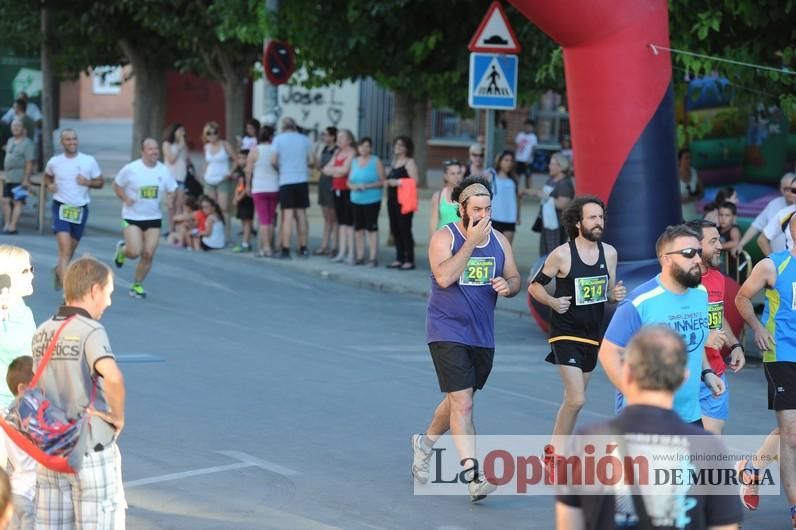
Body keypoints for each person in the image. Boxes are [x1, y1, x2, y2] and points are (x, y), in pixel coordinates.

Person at [556, 326, 743, 530]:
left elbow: (568, 524)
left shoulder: (587, 441)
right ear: (683, 378)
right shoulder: (709, 448)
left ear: (626, 372)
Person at [411, 175, 521, 503]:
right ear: (461, 208)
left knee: (458, 398)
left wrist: (508, 286)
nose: (483, 215)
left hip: (482, 334)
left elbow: (515, 278)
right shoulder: (444, 238)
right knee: (463, 401)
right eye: (476, 208)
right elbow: (444, 277)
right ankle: (474, 476)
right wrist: (471, 242)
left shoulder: (500, 241)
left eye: (488, 208)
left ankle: (425, 443)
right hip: (446, 329)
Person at [32, 256, 125, 529]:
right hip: (87, 447)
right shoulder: (90, 330)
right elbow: (113, 376)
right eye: (108, 293)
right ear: (94, 290)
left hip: (50, 447)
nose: (108, 301)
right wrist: (118, 417)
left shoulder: (43, 330)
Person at [599, 224, 725, 426]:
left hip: (690, 414)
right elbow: (608, 352)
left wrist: (707, 373)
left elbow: (693, 340)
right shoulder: (640, 301)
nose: (698, 260)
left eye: (699, 252)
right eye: (689, 253)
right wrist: (633, 392)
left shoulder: (701, 294)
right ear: (666, 259)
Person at [529, 197, 625, 440]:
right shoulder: (562, 255)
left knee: (573, 403)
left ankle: (554, 451)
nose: (598, 223)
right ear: (577, 222)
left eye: (601, 217)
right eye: (592, 218)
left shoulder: (610, 253)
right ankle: (557, 454)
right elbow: (534, 287)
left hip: (592, 335)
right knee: (577, 398)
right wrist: (551, 302)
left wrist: (613, 295)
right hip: (565, 332)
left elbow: (607, 294)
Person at [735, 213, 796, 528]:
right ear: (791, 232)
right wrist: (757, 326)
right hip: (782, 352)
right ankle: (795, 507)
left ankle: (753, 467)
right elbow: (742, 297)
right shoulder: (773, 265)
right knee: (791, 433)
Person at [686, 220, 745, 434]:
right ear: (695, 245)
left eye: (719, 240)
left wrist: (736, 345)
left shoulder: (718, 277)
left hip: (716, 371)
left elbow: (717, 317)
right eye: (713, 241)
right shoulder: (681, 281)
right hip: (685, 376)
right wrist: (703, 337)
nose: (720, 246)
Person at [112, 138, 177, 299]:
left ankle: (137, 285)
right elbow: (117, 185)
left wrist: (170, 199)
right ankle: (122, 250)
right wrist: (126, 199)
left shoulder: (163, 170)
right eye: (150, 149)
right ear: (143, 152)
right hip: (132, 216)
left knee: (148, 254)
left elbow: (172, 189)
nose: (154, 152)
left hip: (153, 218)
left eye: (156, 149)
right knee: (134, 251)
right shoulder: (132, 169)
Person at [44, 129, 103, 290]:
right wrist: (50, 185)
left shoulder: (89, 161)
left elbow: (100, 182)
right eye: (68, 139)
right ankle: (66, 292)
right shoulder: (55, 162)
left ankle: (59, 270)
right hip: (61, 206)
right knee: (64, 249)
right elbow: (47, 175)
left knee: (70, 249)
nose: (72, 142)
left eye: (74, 139)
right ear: (62, 142)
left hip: (80, 209)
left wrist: (87, 182)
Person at [271, 117, 313, 259]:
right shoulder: (305, 140)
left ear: (283, 127)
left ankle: (286, 248)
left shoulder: (278, 140)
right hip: (302, 179)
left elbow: (273, 161)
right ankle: (303, 247)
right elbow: (311, 161)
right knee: (301, 214)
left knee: (287, 216)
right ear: (295, 126)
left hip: (286, 180)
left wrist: (280, 169)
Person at [0, 246, 35, 414]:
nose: (31, 275)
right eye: (24, 271)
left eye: (31, 269)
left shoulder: (23, 311)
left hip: (21, 403)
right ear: (5, 277)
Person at [4, 356, 36, 530]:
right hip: (33, 490)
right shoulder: (32, 414)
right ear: (23, 388)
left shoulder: (6, 415)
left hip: (15, 488)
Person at [735, 172, 795, 257]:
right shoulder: (775, 205)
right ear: (780, 189)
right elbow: (757, 226)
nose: (788, 192)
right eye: (785, 189)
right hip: (780, 261)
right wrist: (741, 244)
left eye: (791, 189)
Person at [348, 137, 385, 266]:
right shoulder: (354, 162)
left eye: (367, 146)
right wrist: (353, 186)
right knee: (358, 229)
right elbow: (349, 181)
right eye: (362, 146)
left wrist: (367, 186)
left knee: (371, 229)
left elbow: (382, 181)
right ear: (358, 148)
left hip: (372, 200)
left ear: (371, 148)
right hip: (355, 200)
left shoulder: (376, 161)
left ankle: (373, 258)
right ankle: (360, 256)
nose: (364, 148)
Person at [385, 136, 419, 270]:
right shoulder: (394, 162)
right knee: (395, 229)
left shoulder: (409, 162)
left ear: (407, 148)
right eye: (396, 144)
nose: (397, 147)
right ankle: (399, 258)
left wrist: (398, 182)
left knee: (405, 229)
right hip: (392, 200)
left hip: (404, 202)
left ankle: (409, 260)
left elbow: (415, 181)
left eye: (401, 145)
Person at [246, 126, 280, 258]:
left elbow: (248, 170)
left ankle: (265, 248)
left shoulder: (254, 150)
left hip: (259, 187)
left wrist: (248, 186)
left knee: (263, 219)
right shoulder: (274, 150)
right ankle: (269, 246)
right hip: (273, 186)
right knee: (270, 219)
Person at [531, 153, 574, 255]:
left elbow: (562, 205)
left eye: (552, 164)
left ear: (560, 167)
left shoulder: (565, 184)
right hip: (547, 222)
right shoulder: (550, 180)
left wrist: (546, 197)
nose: (549, 166)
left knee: (555, 252)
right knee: (544, 252)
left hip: (558, 224)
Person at [324, 129, 356, 264]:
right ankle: (342, 252)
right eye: (338, 137)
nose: (339, 140)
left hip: (347, 190)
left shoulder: (352, 153)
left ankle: (351, 253)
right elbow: (325, 169)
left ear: (349, 140)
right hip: (336, 189)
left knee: (349, 223)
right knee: (341, 222)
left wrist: (335, 171)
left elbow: (345, 170)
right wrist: (337, 172)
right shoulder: (337, 152)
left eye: (342, 137)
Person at [202, 121, 235, 242]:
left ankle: (227, 236)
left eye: (214, 132)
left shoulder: (225, 145)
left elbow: (236, 160)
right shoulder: (206, 147)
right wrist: (203, 175)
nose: (212, 135)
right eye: (208, 133)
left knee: (223, 208)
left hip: (222, 179)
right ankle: (212, 235)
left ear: (218, 133)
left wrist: (230, 172)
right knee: (209, 208)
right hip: (209, 179)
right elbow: (207, 163)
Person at [1, 119, 35, 234]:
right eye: (13, 126)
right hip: (9, 177)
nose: (15, 128)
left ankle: (13, 227)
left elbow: (29, 162)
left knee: (17, 202)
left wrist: (26, 179)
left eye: (18, 126)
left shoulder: (27, 143)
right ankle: (6, 224)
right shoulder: (10, 141)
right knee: (5, 200)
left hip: (19, 176)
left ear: (23, 129)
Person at [488, 150, 522, 244]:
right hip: (494, 217)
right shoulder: (492, 176)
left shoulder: (514, 179)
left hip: (510, 218)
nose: (509, 163)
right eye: (506, 160)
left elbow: (517, 198)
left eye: (511, 161)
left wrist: (518, 215)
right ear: (500, 161)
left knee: (506, 249)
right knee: (493, 248)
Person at [315, 126, 339, 255]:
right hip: (323, 182)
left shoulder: (337, 150)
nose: (324, 137)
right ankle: (324, 245)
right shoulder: (324, 149)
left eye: (326, 135)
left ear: (332, 136)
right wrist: (317, 152)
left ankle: (334, 246)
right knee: (326, 217)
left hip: (332, 183)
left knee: (333, 217)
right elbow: (318, 166)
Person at [162, 123, 189, 230]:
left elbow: (187, 159)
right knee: (171, 205)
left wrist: (183, 146)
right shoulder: (167, 144)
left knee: (180, 204)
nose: (182, 133)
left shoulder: (183, 145)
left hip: (181, 177)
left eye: (183, 131)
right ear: (174, 132)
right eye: (180, 131)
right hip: (170, 178)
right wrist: (179, 148)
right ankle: (171, 229)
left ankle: (179, 229)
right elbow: (171, 160)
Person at [429, 159, 463, 234]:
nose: (456, 176)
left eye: (459, 173)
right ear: (445, 176)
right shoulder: (438, 196)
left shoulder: (466, 195)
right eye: (452, 174)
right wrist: (432, 242)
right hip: (442, 239)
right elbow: (434, 221)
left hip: (461, 239)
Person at [231, 150, 254, 253]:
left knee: (247, 222)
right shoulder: (241, 171)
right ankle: (245, 242)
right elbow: (240, 185)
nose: (240, 161)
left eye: (243, 158)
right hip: (241, 198)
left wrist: (239, 197)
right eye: (239, 158)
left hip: (247, 199)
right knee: (243, 222)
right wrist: (236, 196)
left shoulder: (249, 172)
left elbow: (247, 188)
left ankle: (246, 243)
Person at [717, 201, 742, 277]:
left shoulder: (734, 230)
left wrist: (718, 246)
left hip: (733, 267)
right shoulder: (717, 229)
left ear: (733, 217)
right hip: (721, 264)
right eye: (721, 215)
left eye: (727, 215)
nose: (723, 218)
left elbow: (735, 243)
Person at [679, 148, 704, 222]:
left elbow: (702, 193)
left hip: (693, 213)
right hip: (680, 215)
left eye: (690, 158)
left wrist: (694, 197)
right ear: (679, 160)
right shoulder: (674, 175)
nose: (689, 160)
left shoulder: (694, 172)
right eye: (686, 158)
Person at [514, 119, 538, 190]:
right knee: (517, 175)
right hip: (519, 159)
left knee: (528, 176)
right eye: (527, 126)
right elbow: (517, 147)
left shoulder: (533, 137)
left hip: (528, 160)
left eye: (530, 127)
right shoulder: (520, 135)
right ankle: (516, 189)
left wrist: (529, 159)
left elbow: (533, 149)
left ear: (532, 128)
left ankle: (528, 190)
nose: (528, 128)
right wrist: (515, 157)